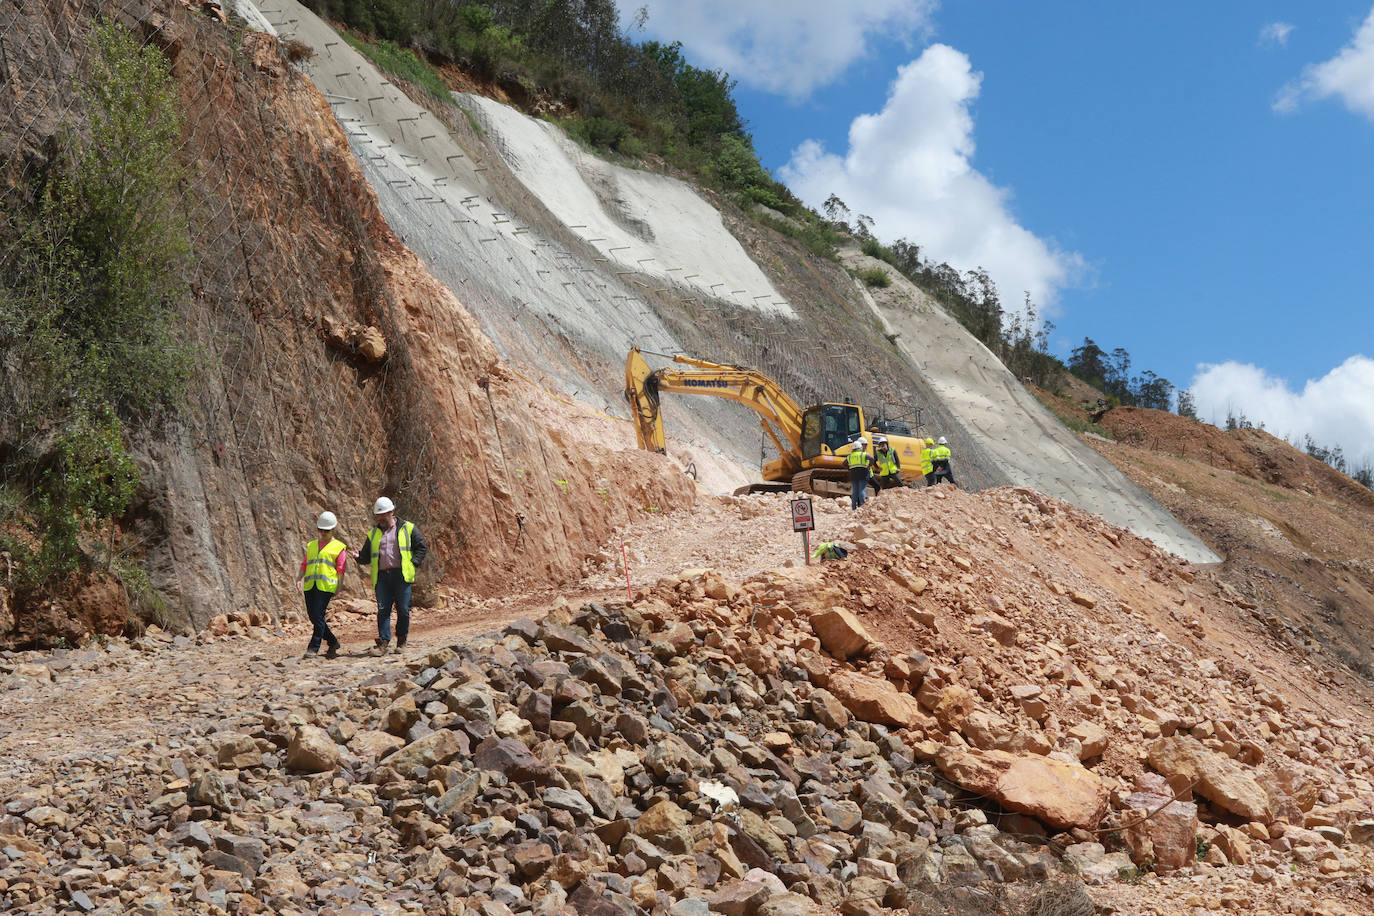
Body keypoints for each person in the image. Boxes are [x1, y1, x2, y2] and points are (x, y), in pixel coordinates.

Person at [353, 496, 427, 655]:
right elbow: (366, 557)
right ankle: (384, 643)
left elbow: (421, 547)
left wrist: (413, 563)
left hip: (401, 575)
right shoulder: (373, 534)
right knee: (383, 610)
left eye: (384, 514)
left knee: (403, 610)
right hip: (382, 578)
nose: (380, 518)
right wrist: (357, 556)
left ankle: (401, 641)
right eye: (378, 515)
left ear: (392, 512)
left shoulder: (408, 528)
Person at [295, 511, 346, 659]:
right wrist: (299, 579)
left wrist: (339, 586)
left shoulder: (338, 547)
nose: (323, 533)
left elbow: (341, 569)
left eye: (326, 530)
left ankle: (313, 647)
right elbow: (305, 563)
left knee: (318, 615)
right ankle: (332, 641)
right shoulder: (311, 545)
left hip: (326, 586)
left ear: (333, 529)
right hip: (310, 585)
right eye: (321, 530)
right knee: (313, 617)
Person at [846, 437, 873, 510]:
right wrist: (869, 465)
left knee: (855, 491)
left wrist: (850, 468)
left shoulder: (850, 456)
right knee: (862, 490)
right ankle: (862, 506)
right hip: (862, 474)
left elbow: (844, 463)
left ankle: (853, 507)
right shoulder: (863, 454)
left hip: (853, 474)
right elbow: (872, 458)